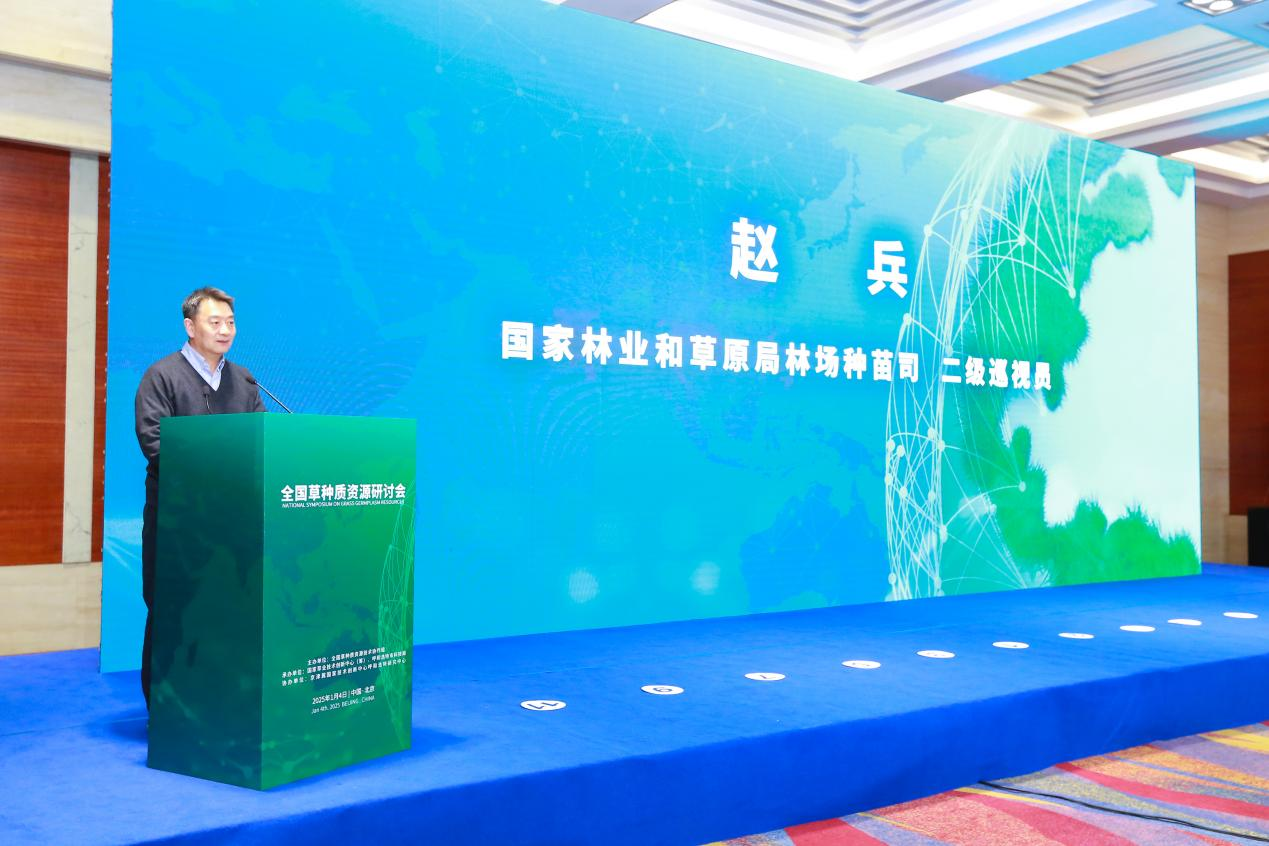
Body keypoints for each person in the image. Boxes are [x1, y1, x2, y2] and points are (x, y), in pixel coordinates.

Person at [134, 287, 266, 707]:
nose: (226, 330)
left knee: (226, 608)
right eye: (215, 322)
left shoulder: (244, 380)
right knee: (173, 608)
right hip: (179, 523)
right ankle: (165, 709)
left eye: (231, 322)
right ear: (190, 327)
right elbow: (154, 442)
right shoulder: (162, 376)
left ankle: (218, 703)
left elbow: (265, 441)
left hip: (232, 523)